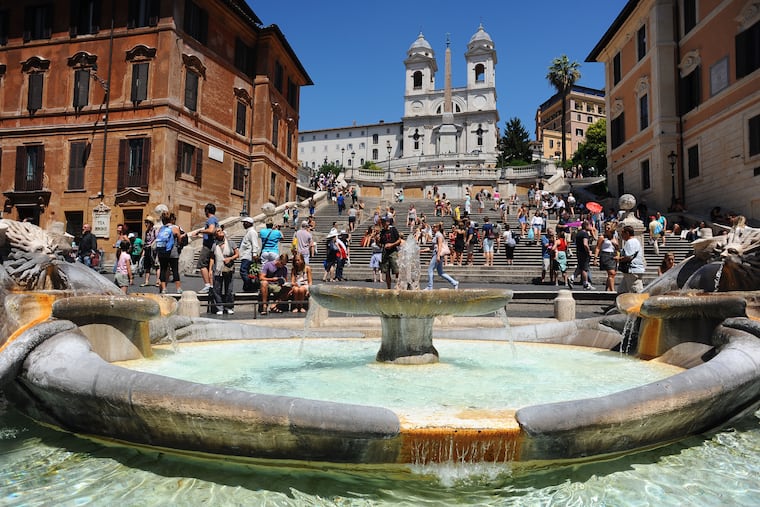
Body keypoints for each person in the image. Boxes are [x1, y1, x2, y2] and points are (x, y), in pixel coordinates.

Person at [210, 228, 239, 315]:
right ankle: (219, 307)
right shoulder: (214, 245)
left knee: (229, 289)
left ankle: (229, 306)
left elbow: (237, 254)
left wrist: (230, 258)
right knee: (217, 289)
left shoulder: (231, 243)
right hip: (218, 269)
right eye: (218, 231)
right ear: (215, 235)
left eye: (221, 230)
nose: (221, 231)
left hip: (228, 268)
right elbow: (212, 258)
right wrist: (210, 270)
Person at [192, 203, 218, 293]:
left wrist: (200, 230)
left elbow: (211, 230)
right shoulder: (215, 219)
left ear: (207, 211)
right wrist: (200, 236)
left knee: (201, 264)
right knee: (209, 266)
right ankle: (211, 285)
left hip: (208, 246)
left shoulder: (211, 219)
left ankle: (207, 285)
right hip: (211, 244)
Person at [425, 222, 459, 290]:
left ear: (437, 228)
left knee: (430, 269)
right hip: (437, 253)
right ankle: (454, 282)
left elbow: (440, 246)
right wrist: (422, 251)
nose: (432, 228)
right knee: (440, 272)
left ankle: (430, 286)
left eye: (434, 227)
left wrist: (438, 256)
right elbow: (432, 247)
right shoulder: (437, 235)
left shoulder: (438, 235)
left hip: (438, 254)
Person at [156, 211, 181, 295]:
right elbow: (179, 239)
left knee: (163, 269)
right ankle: (178, 289)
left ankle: (164, 289)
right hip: (173, 252)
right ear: (171, 219)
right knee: (175, 270)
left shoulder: (161, 229)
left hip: (162, 252)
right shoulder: (175, 228)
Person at [616, 225, 646, 293]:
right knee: (622, 290)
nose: (621, 234)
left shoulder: (630, 242)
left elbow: (629, 257)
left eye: (622, 232)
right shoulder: (634, 241)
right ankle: (621, 302)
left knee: (635, 290)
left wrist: (618, 259)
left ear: (627, 233)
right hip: (631, 270)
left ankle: (640, 303)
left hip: (632, 270)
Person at [238, 216, 261, 292]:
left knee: (243, 270)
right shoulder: (249, 232)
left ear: (248, 223)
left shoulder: (252, 232)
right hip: (245, 255)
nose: (243, 224)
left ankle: (250, 285)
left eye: (244, 223)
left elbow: (255, 244)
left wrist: (254, 254)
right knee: (247, 271)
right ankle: (247, 287)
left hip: (248, 255)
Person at [378, 215, 401, 289]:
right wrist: (377, 240)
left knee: (396, 270)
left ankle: (398, 285)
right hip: (385, 252)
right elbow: (380, 245)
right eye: (382, 222)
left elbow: (399, 240)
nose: (383, 223)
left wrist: (392, 244)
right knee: (386, 271)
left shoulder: (393, 229)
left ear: (388, 222)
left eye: (384, 222)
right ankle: (388, 288)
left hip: (393, 251)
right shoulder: (382, 231)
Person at [595, 227, 619, 292]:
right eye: (606, 228)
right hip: (605, 255)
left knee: (612, 274)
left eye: (608, 228)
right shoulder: (602, 238)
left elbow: (617, 248)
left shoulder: (614, 238)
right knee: (612, 273)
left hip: (613, 255)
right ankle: (612, 290)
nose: (606, 229)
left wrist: (615, 245)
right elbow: (598, 247)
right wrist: (595, 258)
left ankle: (607, 289)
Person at [573, 220, 595, 290]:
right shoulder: (585, 234)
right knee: (584, 268)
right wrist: (588, 251)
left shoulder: (579, 233)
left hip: (579, 252)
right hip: (584, 253)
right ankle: (585, 283)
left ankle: (572, 278)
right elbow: (585, 244)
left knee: (580, 267)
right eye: (590, 225)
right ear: (586, 226)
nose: (591, 227)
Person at [140, 216, 157, 286]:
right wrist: (143, 251)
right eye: (145, 222)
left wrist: (153, 245)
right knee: (147, 266)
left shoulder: (155, 230)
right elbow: (145, 241)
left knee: (156, 266)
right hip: (147, 249)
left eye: (147, 222)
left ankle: (157, 281)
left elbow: (157, 239)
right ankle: (146, 281)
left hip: (153, 249)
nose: (146, 224)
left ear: (151, 223)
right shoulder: (146, 232)